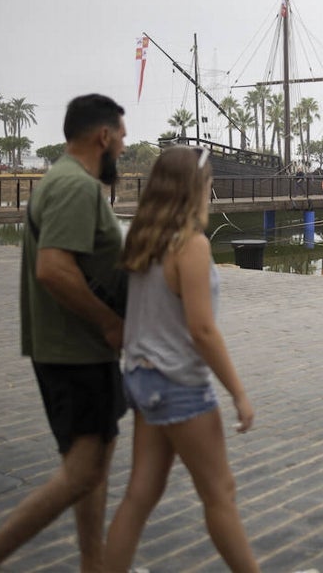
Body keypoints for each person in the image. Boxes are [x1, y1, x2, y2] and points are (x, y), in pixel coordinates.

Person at [0, 94, 128, 573]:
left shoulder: (67, 181)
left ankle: (95, 565)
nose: (124, 147)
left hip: (79, 350)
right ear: (104, 136)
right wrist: (110, 322)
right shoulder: (75, 186)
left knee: (94, 465)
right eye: (123, 137)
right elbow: (54, 268)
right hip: (75, 352)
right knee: (80, 472)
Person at [103, 145, 257, 572]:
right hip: (178, 384)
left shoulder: (142, 238)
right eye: (208, 187)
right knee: (220, 493)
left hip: (141, 378)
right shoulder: (189, 245)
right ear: (194, 189)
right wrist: (239, 393)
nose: (210, 196)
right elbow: (202, 330)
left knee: (140, 493)